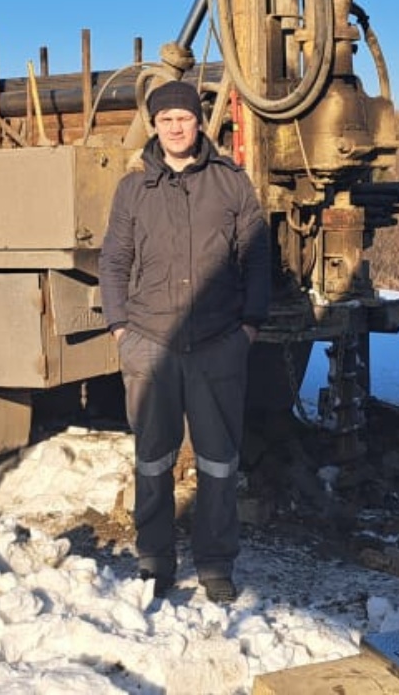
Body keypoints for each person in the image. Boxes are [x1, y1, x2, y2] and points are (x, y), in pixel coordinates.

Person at [99, 80, 271, 604]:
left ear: (200, 124)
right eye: (167, 119)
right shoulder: (134, 189)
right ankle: (154, 559)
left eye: (185, 118)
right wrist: (120, 327)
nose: (176, 127)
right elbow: (113, 260)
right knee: (153, 457)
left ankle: (216, 563)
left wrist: (249, 326)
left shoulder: (231, 184)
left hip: (219, 341)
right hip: (150, 340)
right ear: (155, 126)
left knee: (219, 460)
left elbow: (258, 256)